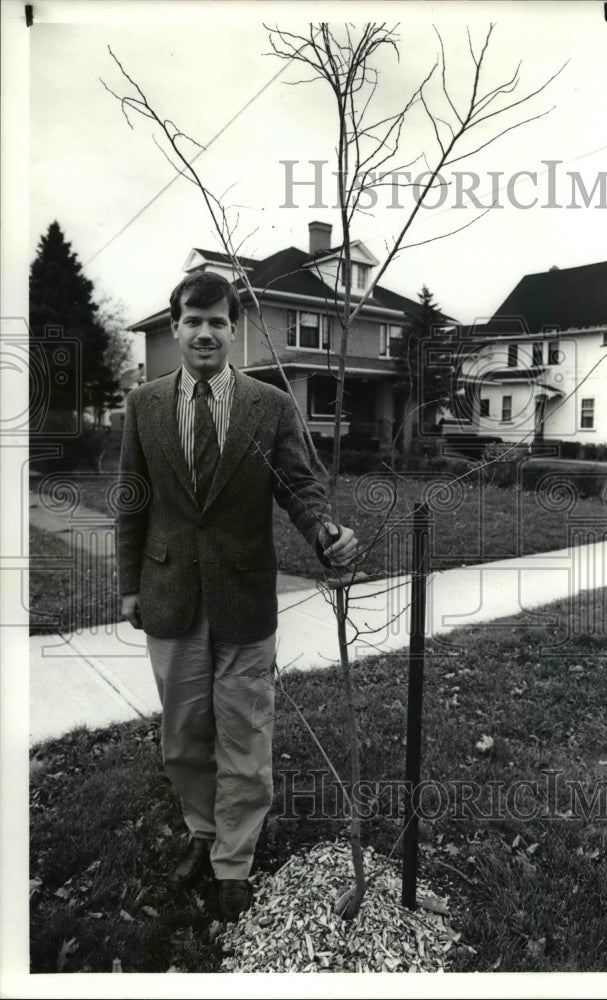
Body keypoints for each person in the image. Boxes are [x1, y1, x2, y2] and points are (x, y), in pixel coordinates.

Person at [117, 271, 357, 921]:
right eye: (192, 321)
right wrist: (129, 585)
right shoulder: (142, 407)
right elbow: (132, 504)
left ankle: (234, 863)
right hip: (170, 596)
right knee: (185, 736)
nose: (204, 332)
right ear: (175, 328)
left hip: (245, 596)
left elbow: (301, 487)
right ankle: (203, 833)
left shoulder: (270, 405)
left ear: (234, 329)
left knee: (245, 735)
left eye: (217, 321)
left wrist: (324, 532)